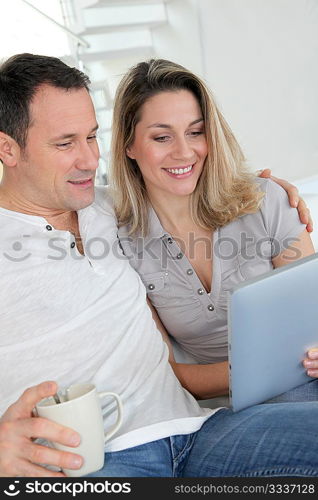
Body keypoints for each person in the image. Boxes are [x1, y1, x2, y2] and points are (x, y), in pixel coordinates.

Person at [1, 53, 318, 479]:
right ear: (7, 148)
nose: (89, 160)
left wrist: (269, 190)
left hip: (200, 434)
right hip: (97, 460)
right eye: (64, 143)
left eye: (92, 138)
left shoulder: (107, 209)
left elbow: (183, 182)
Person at [110, 58, 318, 405]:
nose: (184, 151)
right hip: (230, 409)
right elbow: (172, 375)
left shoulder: (267, 201)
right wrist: (265, 368)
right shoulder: (121, 242)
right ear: (129, 146)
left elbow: (313, 317)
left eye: (196, 131)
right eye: (162, 137)